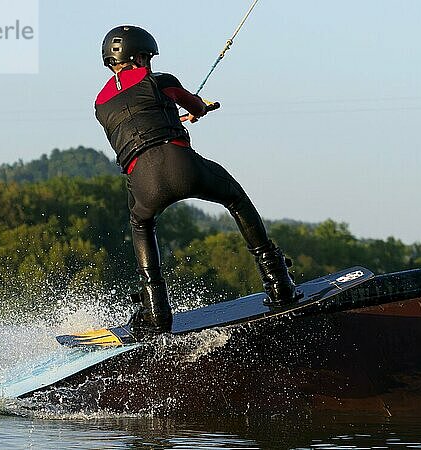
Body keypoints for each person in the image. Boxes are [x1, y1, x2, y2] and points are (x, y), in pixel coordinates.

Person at [95, 25, 297, 337]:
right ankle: (277, 280)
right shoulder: (161, 81)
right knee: (235, 198)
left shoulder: (100, 104)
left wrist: (170, 117)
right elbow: (195, 105)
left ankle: (155, 309)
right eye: (148, 58)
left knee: (141, 225)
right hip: (181, 167)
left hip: (143, 182)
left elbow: (136, 121)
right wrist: (199, 110)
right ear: (139, 57)